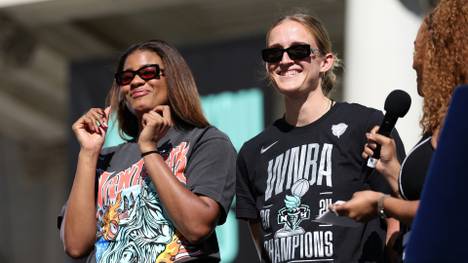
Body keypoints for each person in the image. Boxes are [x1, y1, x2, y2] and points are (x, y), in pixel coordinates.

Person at [235, 13, 406, 263]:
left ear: (325, 62)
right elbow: (263, 244)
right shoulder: (252, 152)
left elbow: (397, 215)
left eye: (299, 51)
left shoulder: (365, 125)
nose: (284, 60)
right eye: (274, 54)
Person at [59, 39, 237, 262]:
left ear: (173, 78)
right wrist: (88, 153)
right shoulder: (105, 158)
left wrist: (149, 149)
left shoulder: (206, 141)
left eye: (148, 72)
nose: (135, 81)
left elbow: (197, 226)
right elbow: (75, 246)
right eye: (126, 77)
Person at [332, 0, 468, 258]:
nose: (413, 62)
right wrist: (393, 171)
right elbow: (429, 194)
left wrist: (381, 204)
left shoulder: (464, 116)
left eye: (418, 48)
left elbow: (450, 207)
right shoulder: (441, 121)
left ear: (445, 52)